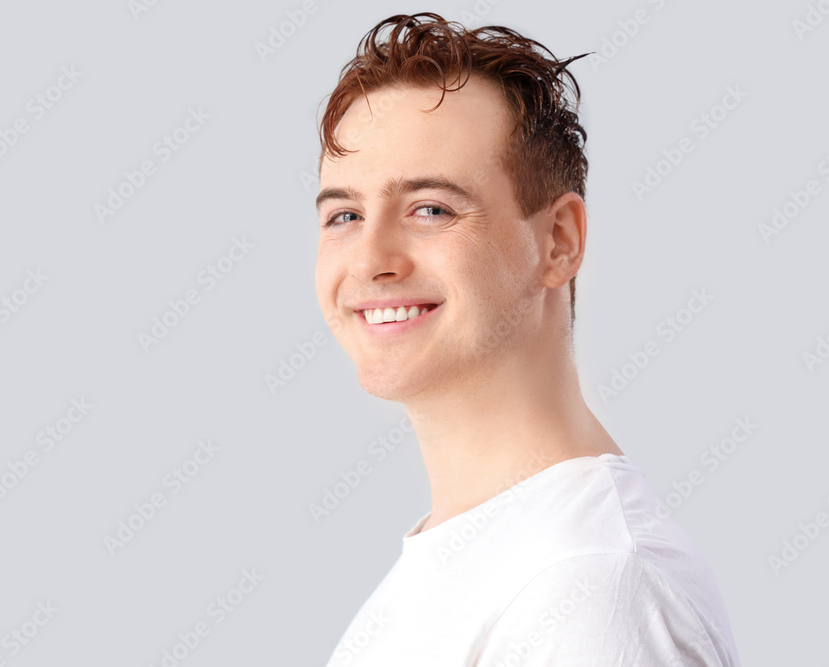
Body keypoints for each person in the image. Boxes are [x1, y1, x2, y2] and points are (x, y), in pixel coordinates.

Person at [313, 12, 741, 666]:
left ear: (559, 242)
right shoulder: (474, 555)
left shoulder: (593, 586)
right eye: (344, 214)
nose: (372, 259)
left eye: (431, 208)